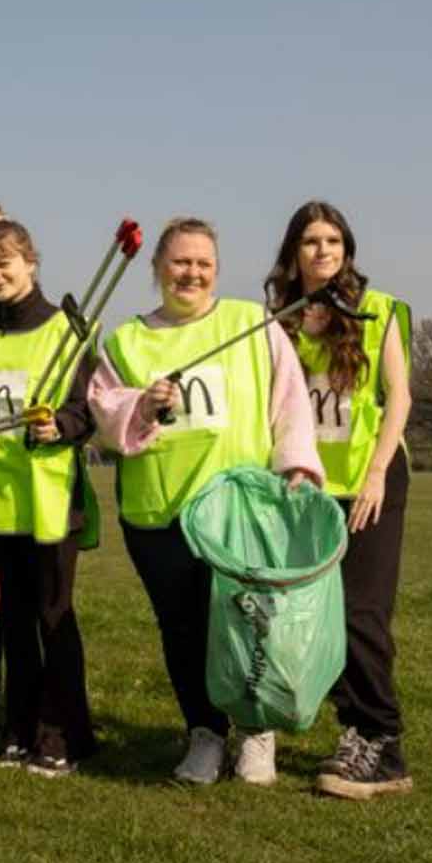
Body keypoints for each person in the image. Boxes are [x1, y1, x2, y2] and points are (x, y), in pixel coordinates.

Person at [89, 217, 321, 786]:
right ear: (157, 269)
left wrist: (296, 463)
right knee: (183, 628)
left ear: (216, 270)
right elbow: (103, 410)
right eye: (179, 262)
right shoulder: (127, 339)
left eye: (203, 264)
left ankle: (255, 732)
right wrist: (142, 406)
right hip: (160, 512)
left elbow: (289, 397)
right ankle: (204, 732)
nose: (191, 273)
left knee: (248, 627)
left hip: (239, 512)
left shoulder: (251, 324)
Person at [266, 201, 415, 800]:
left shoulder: (381, 311)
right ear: (293, 253)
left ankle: (382, 742)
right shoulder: (279, 320)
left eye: (333, 241)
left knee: (362, 614)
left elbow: (399, 397)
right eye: (310, 241)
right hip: (307, 488)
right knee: (322, 621)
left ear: (347, 250)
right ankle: (355, 733)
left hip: (370, 482)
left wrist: (378, 472)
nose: (323, 251)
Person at [0, 206, 98, 777]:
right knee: (10, 621)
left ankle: (63, 733)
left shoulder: (66, 331)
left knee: (52, 617)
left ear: (30, 262)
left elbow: (87, 412)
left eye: (4, 263)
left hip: (49, 500)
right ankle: (18, 726)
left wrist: (59, 425)